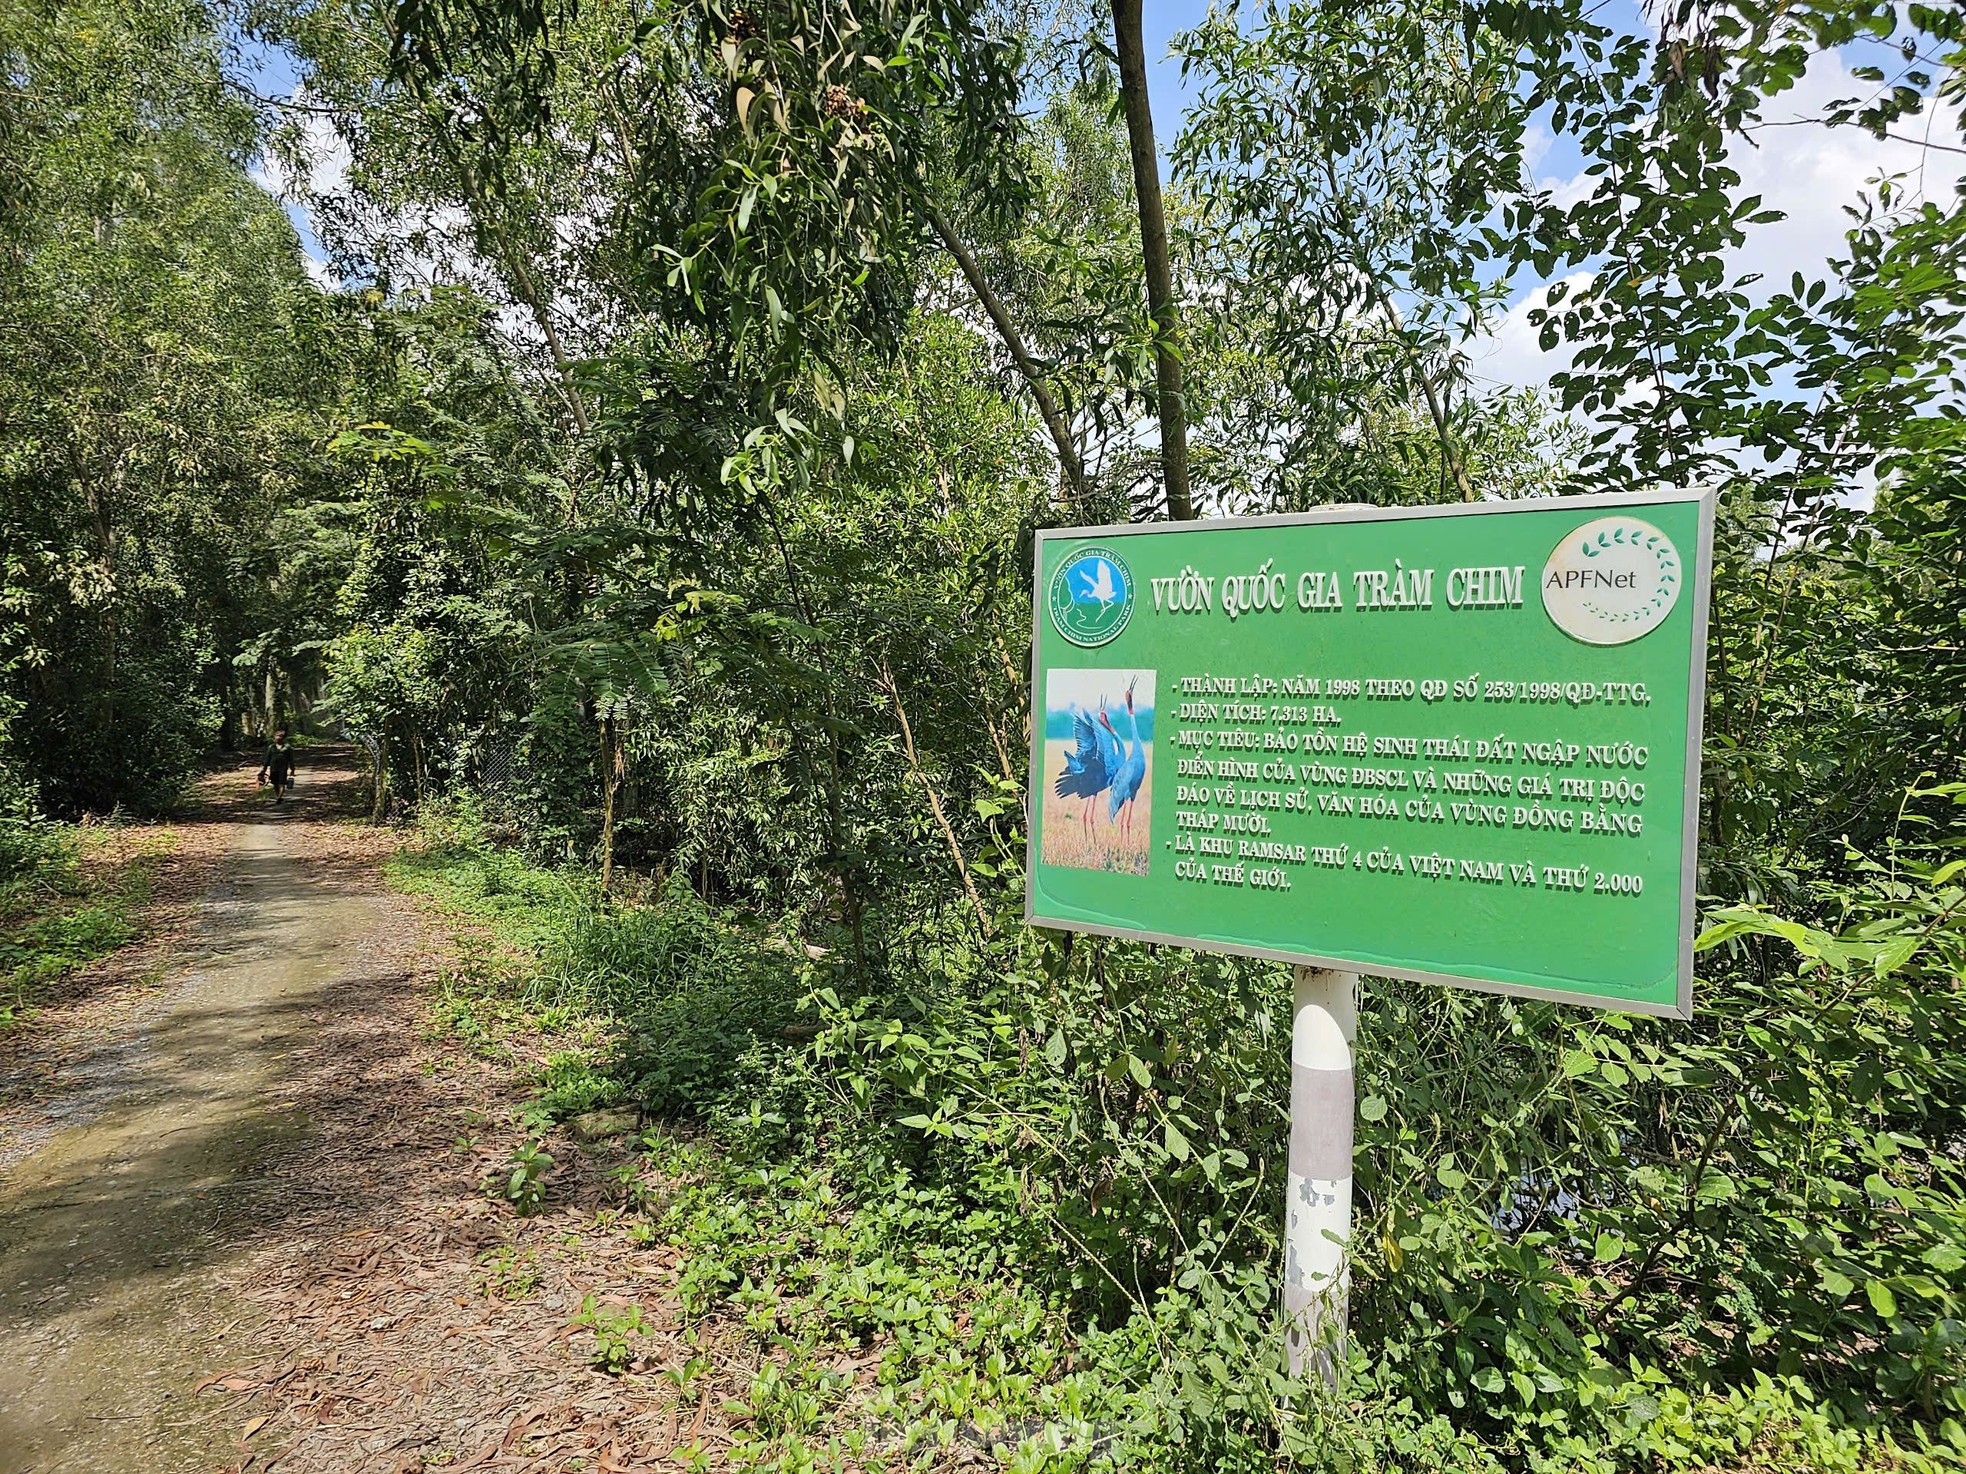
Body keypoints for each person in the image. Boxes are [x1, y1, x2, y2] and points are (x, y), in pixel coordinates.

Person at [259, 729, 298, 802]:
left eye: (280, 736)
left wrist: (292, 769)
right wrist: (264, 769)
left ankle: (280, 797)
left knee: (282, 783)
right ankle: (278, 795)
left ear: (283, 738)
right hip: (273, 768)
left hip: (283, 768)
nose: (278, 738)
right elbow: (267, 758)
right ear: (274, 737)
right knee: (275, 783)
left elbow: (291, 759)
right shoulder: (271, 747)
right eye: (277, 736)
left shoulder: (287, 747)